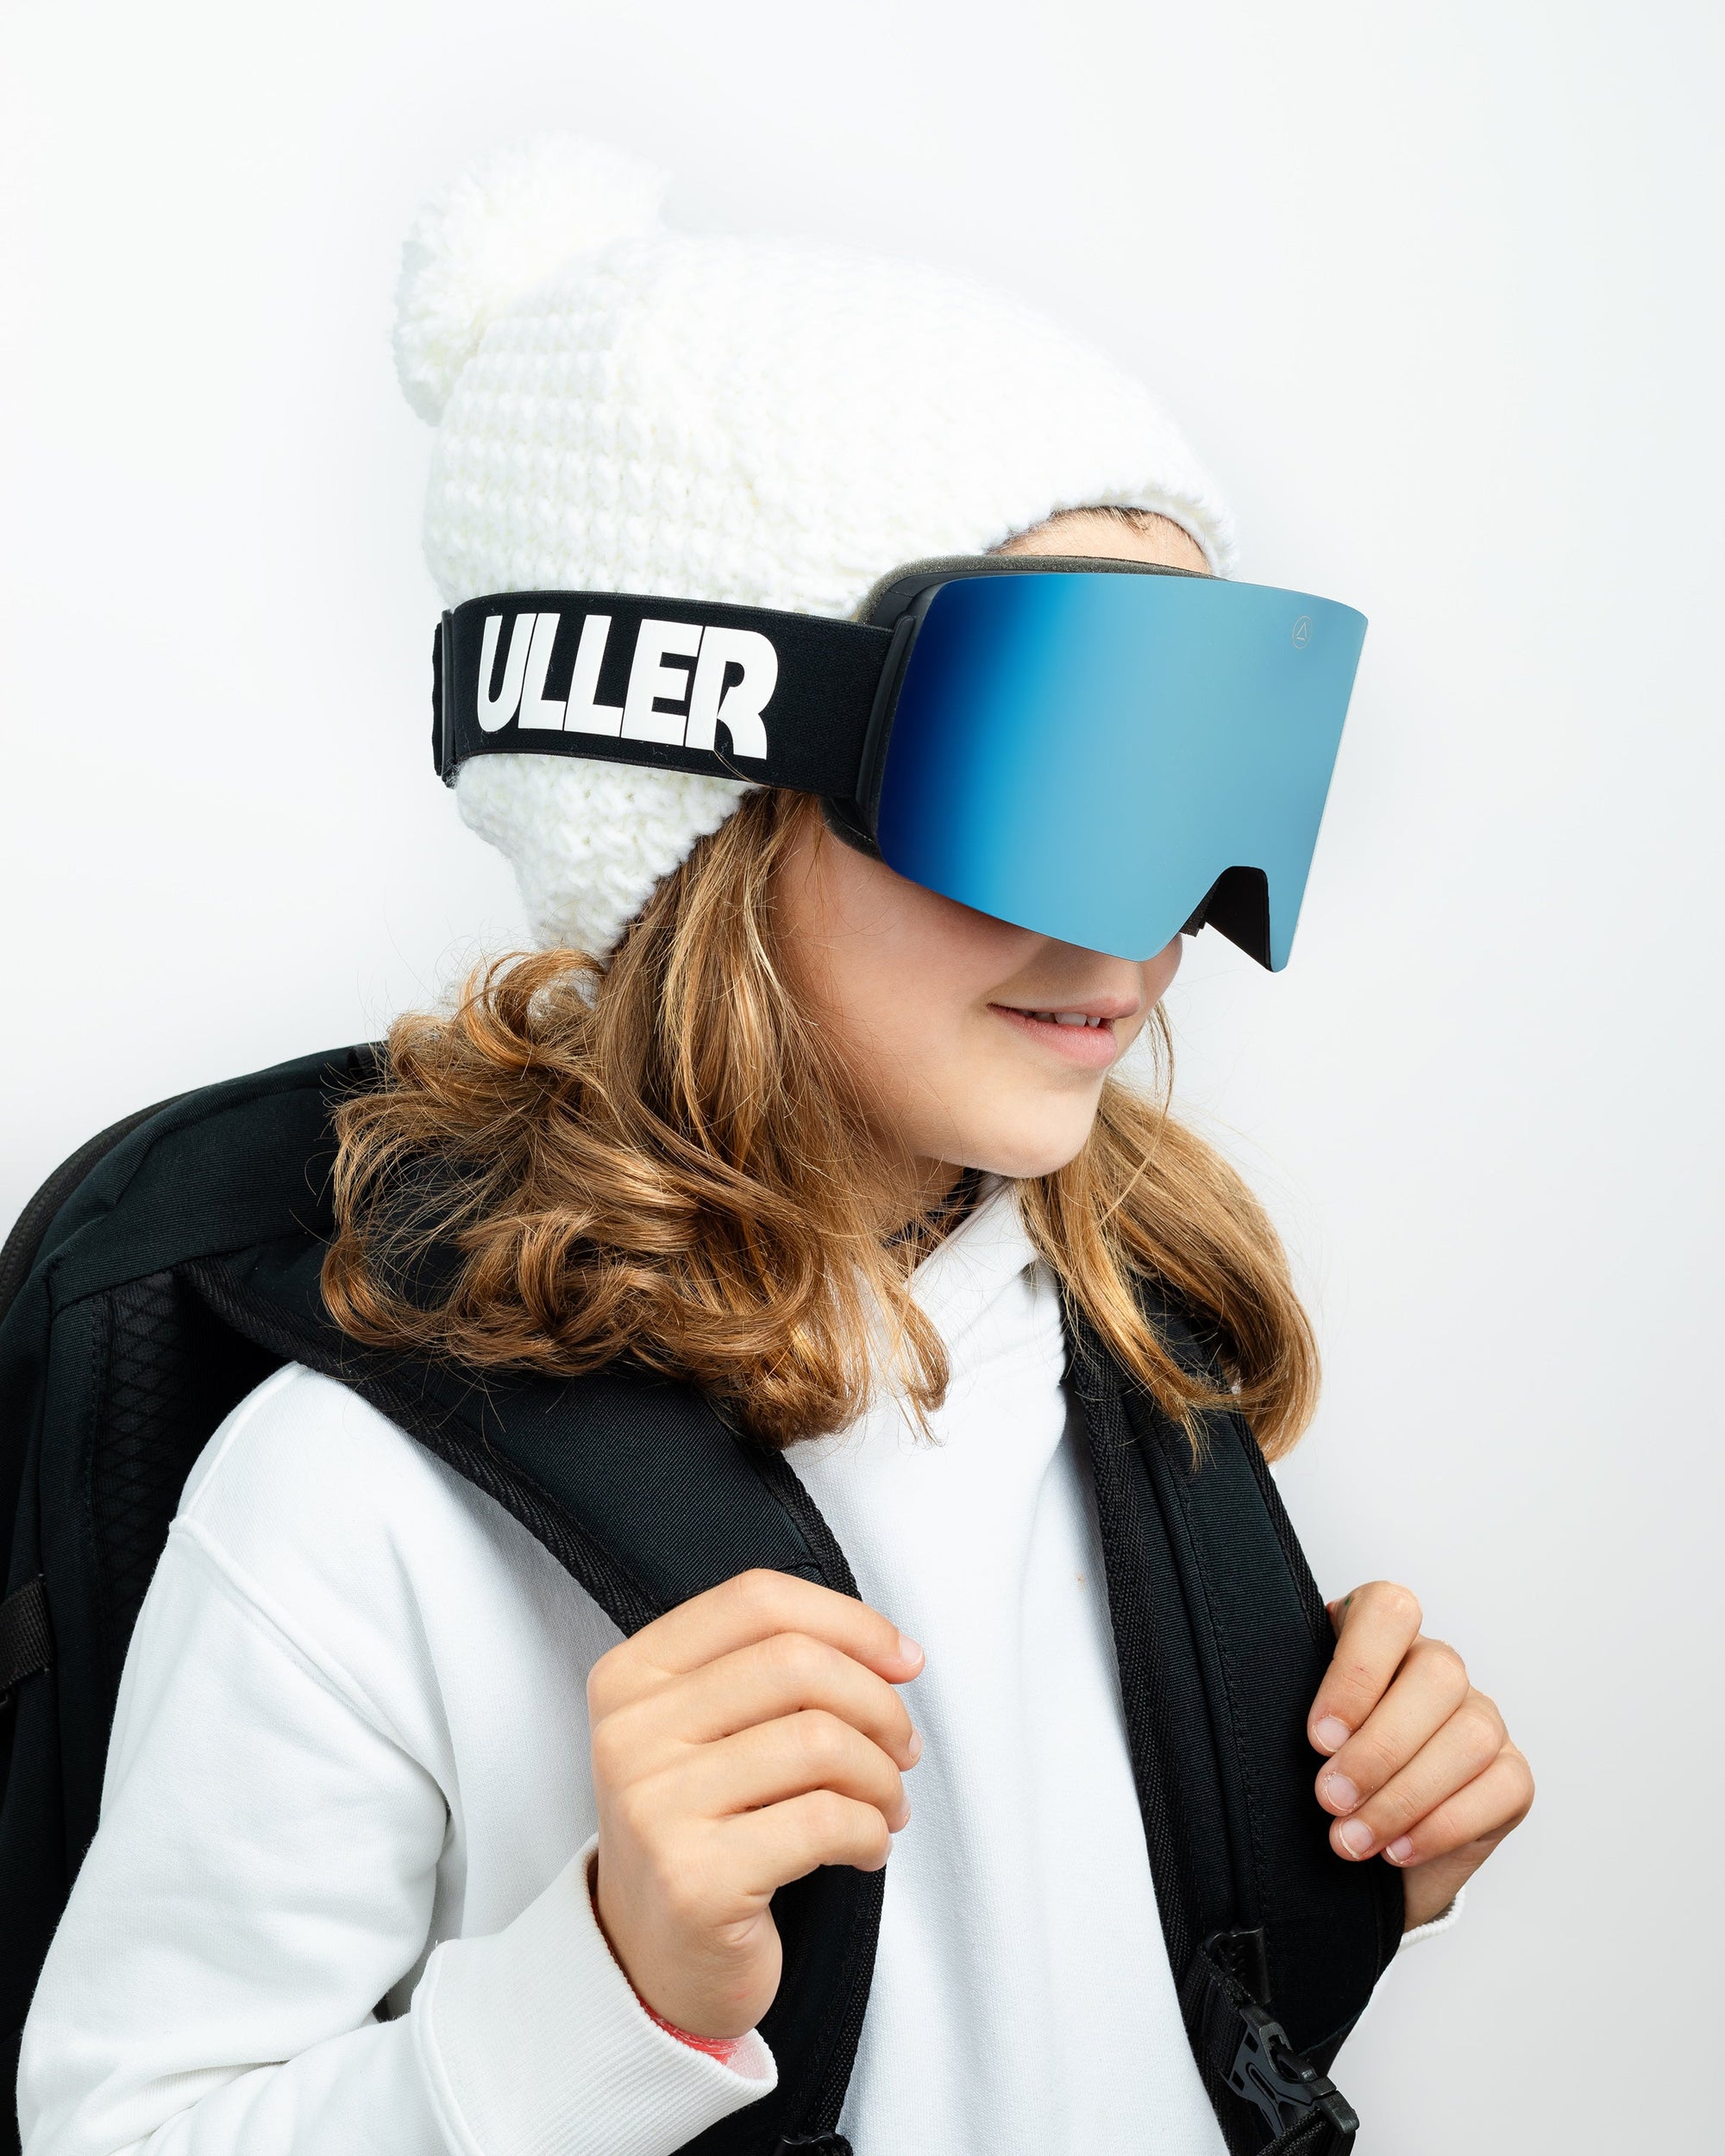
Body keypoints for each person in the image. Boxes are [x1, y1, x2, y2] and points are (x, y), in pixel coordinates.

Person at [16, 136, 1532, 2156]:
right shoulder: (358, 1501)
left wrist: (1346, 1851)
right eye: (1041, 771)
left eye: (1189, 773)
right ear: (701, 792)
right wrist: (603, 1991)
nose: (1141, 923)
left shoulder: (1122, 1350)